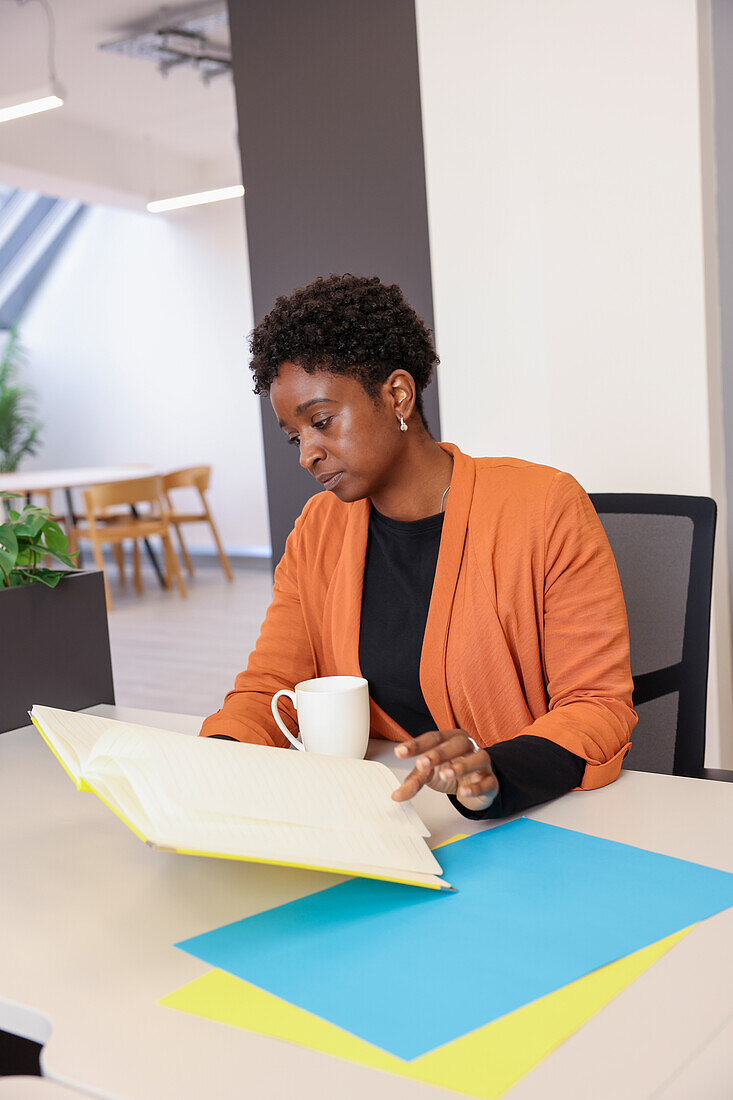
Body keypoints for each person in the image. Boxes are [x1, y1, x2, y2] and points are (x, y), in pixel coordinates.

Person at [201, 273, 637, 820]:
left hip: (532, 817)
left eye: (321, 421)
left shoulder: (543, 507)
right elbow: (270, 687)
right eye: (296, 436)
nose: (307, 454)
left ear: (397, 394)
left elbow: (596, 706)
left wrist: (491, 770)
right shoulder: (318, 529)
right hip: (384, 815)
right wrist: (208, 762)